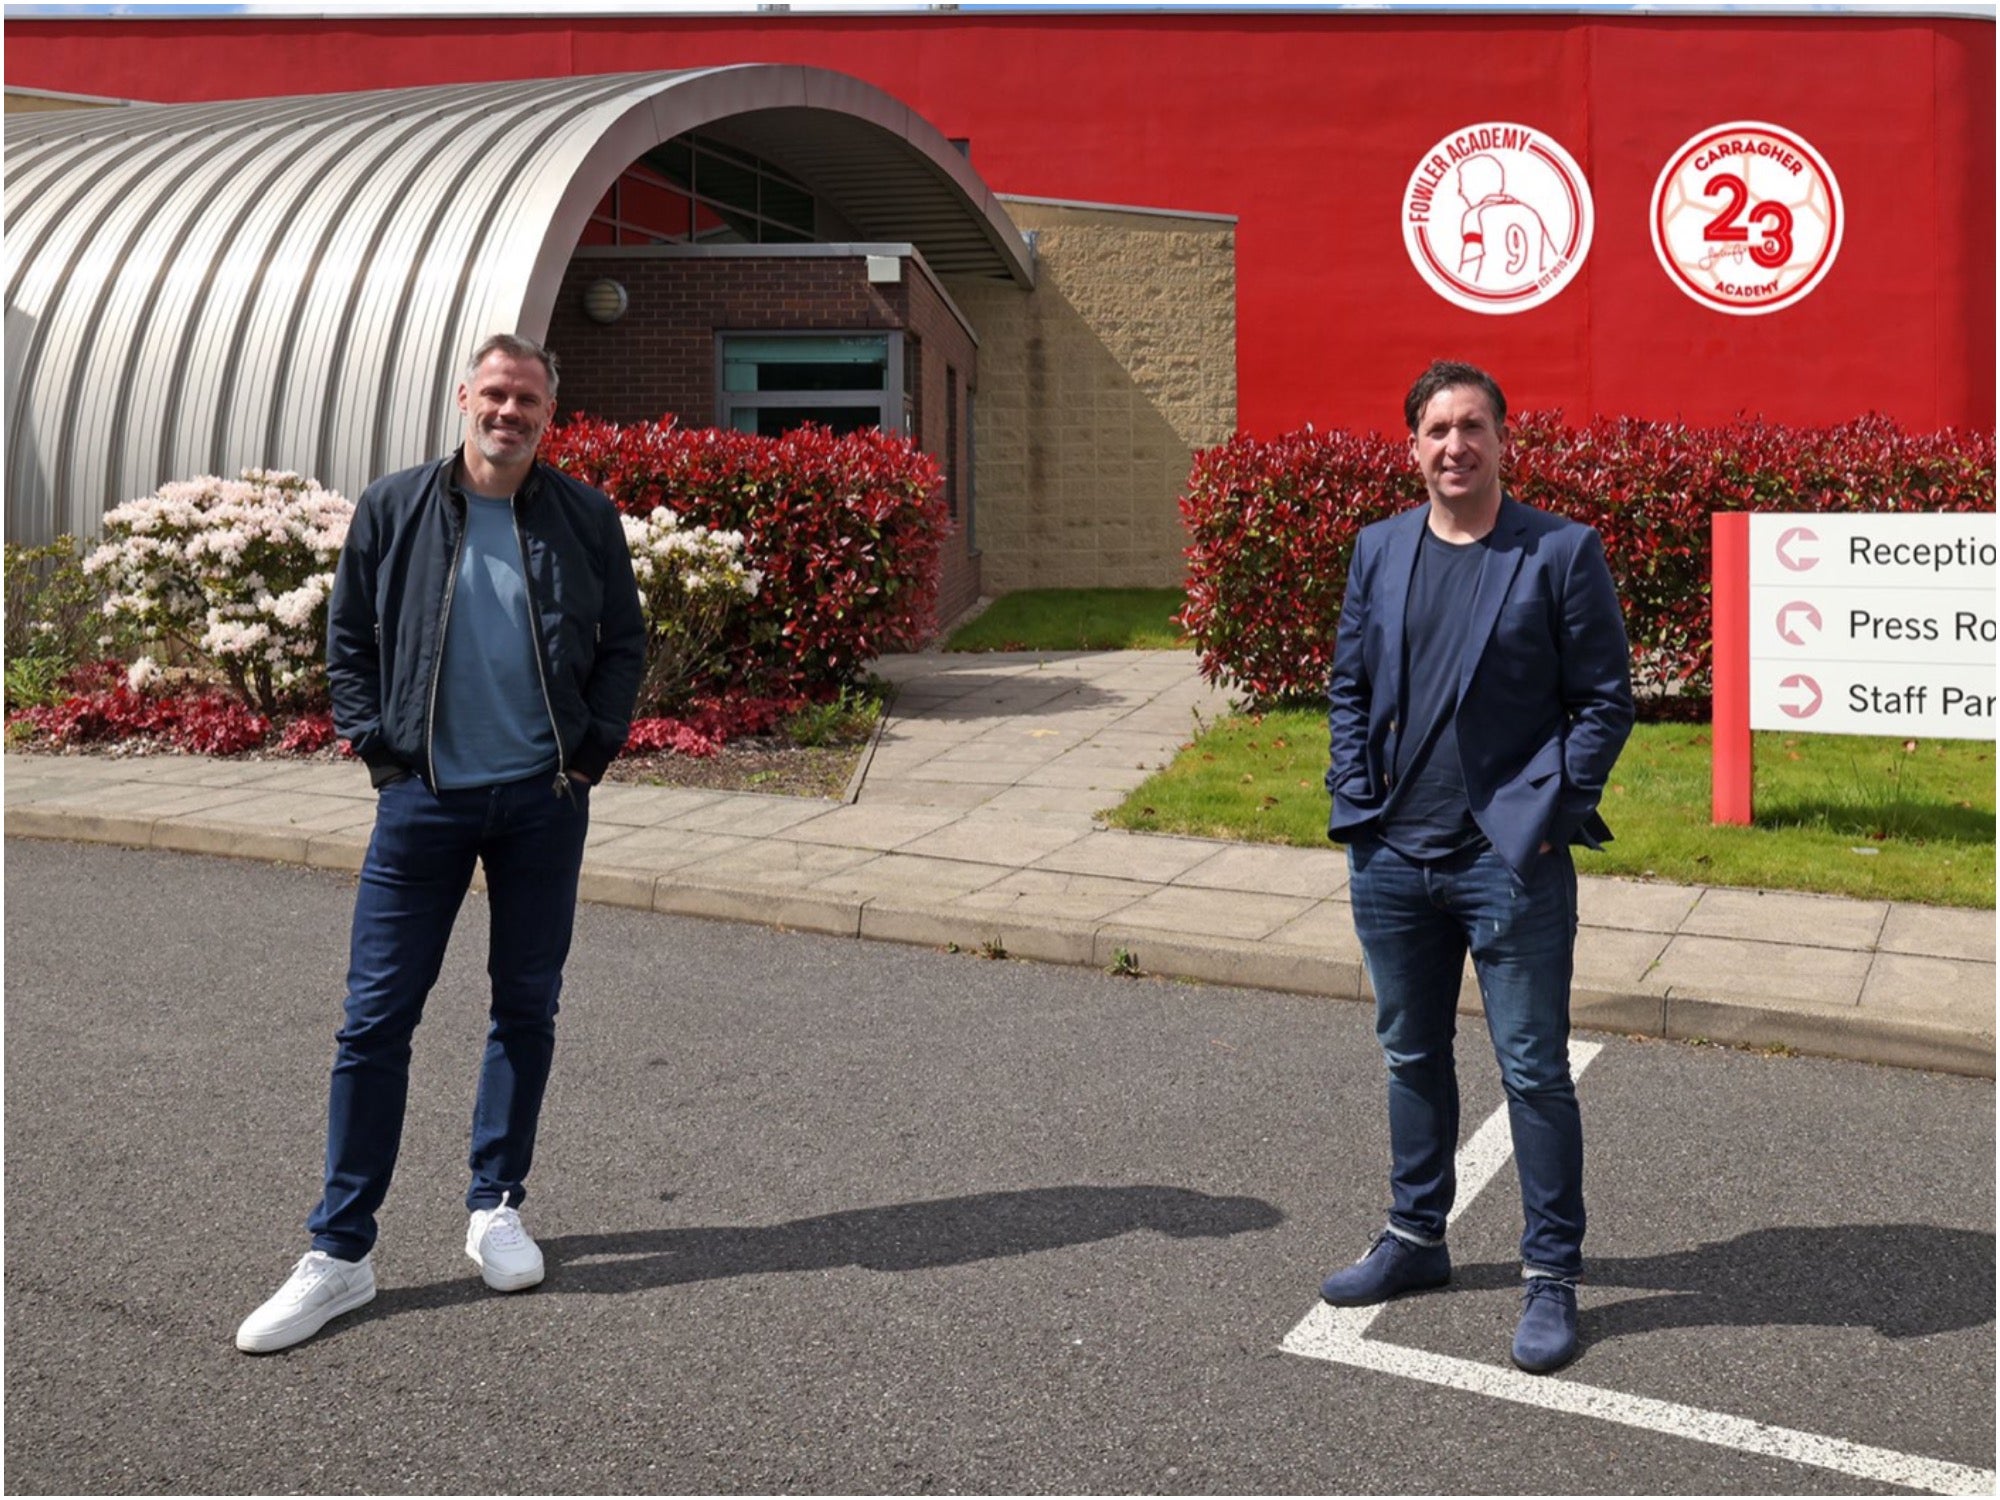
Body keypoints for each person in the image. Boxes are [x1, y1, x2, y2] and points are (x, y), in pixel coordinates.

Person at [237, 332, 646, 1354]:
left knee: (524, 1007)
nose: (509, 415)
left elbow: (623, 643)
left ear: (549, 416)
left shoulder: (583, 516)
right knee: (373, 1022)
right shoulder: (395, 506)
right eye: (496, 395)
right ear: (464, 395)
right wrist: (382, 753)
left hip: (541, 803)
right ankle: (340, 1253)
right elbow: (349, 640)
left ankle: (494, 1205)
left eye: (530, 403)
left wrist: (589, 757)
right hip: (423, 801)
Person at [1320, 360, 1633, 1374]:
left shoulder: (1556, 552)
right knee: (1409, 1057)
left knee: (1534, 1072)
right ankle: (1415, 1241)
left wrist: (1552, 813)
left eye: (1471, 427)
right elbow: (1350, 684)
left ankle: (1550, 1276)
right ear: (1410, 446)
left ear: (1504, 441)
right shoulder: (1376, 550)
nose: (1453, 445)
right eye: (1435, 429)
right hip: (1391, 858)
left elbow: (1602, 700)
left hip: (1508, 863)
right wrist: (1353, 803)